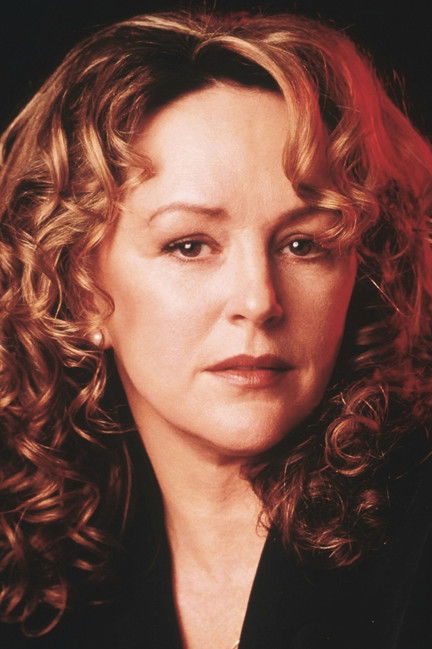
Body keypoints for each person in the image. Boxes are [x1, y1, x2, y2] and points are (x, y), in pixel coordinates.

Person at [0, 10, 431, 649]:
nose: (258, 301)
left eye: (304, 244)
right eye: (191, 245)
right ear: (81, 290)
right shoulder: (39, 594)